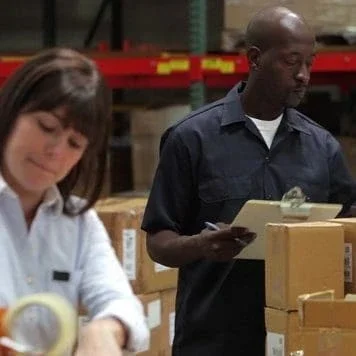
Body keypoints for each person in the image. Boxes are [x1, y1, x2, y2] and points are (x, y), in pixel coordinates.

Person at [141, 6, 356, 356]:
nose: (303, 75)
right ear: (255, 58)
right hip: (213, 342)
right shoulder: (191, 138)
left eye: (309, 63)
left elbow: (348, 225)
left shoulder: (322, 147)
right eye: (291, 61)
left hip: (296, 341)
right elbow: (159, 241)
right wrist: (202, 245)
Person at [0, 48, 149, 355]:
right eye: (47, 127)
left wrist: (107, 329)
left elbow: (118, 300)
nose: (55, 151)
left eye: (75, 143)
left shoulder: (79, 223)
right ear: (12, 111)